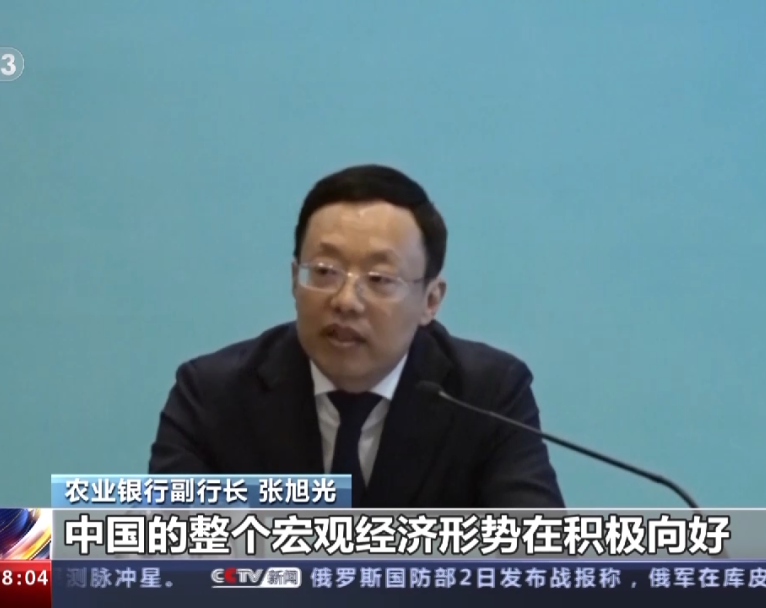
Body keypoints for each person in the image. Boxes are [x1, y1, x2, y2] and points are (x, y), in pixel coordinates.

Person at [149, 164, 565, 508]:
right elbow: (166, 555)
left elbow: (538, 559)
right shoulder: (212, 394)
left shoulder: (487, 396)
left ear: (431, 300)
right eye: (324, 272)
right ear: (294, 280)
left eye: (380, 278)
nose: (346, 300)